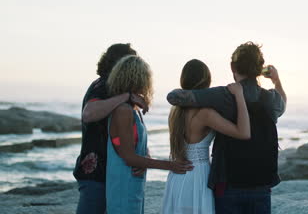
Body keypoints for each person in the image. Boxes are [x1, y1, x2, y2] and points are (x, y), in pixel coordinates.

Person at [167, 42, 287, 214]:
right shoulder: (270, 99)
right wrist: (276, 80)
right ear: (259, 68)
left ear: (232, 67)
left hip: (228, 183)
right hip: (261, 183)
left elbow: (175, 97)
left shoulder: (222, 95)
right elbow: (282, 105)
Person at [106, 55, 193, 214]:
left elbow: (135, 147)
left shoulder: (134, 110)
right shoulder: (123, 110)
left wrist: (145, 159)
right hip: (122, 184)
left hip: (134, 183)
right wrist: (170, 165)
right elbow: (128, 157)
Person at [162, 59, 251, 214]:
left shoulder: (175, 111)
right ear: (207, 81)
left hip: (177, 176)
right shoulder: (205, 113)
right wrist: (239, 96)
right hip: (198, 174)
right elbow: (243, 132)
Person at [74, 43, 149, 214]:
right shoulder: (102, 85)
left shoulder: (119, 90)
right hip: (97, 175)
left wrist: (143, 156)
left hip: (117, 174)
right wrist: (126, 97)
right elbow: (89, 114)